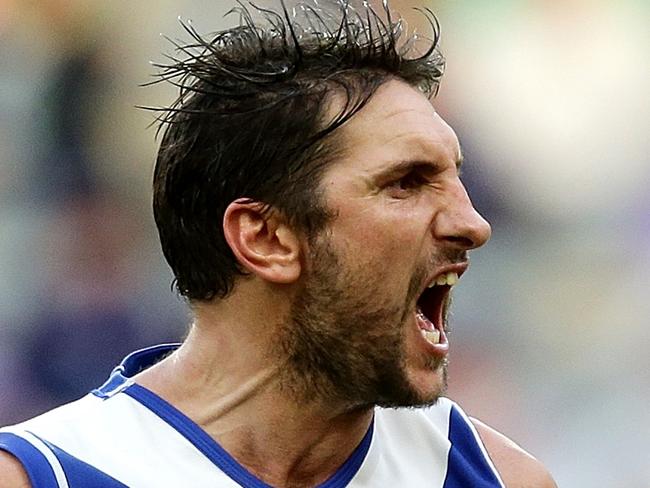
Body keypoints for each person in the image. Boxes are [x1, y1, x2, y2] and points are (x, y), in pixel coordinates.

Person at [0, 1, 557, 486]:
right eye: (406, 183)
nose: (474, 224)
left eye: (456, 179)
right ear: (265, 238)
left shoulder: (494, 477)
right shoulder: (49, 474)